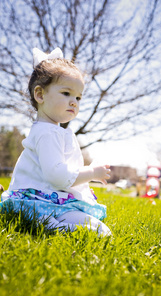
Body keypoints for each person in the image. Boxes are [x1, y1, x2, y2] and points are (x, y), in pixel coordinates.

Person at [0, 47, 111, 236]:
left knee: (101, 229)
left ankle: (53, 224)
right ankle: (51, 226)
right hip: (35, 203)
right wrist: (91, 172)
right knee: (101, 232)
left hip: (46, 201)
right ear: (40, 95)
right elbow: (57, 176)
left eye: (78, 97)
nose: (74, 102)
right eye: (66, 93)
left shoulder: (53, 131)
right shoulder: (47, 133)